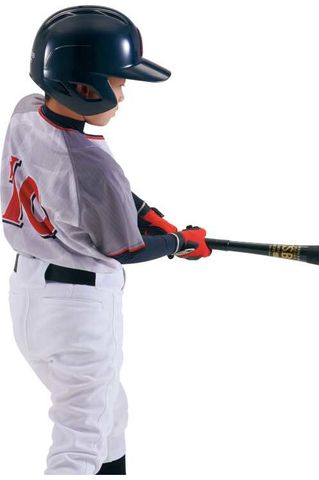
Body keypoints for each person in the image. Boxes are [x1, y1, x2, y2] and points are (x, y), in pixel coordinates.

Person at [0, 5, 211, 475]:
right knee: (80, 440)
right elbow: (126, 250)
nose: (123, 94)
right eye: (118, 82)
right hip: (79, 311)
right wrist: (178, 243)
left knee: (109, 415)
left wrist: (144, 211)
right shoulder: (94, 165)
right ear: (84, 87)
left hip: (30, 296)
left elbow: (85, 192)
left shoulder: (26, 113)